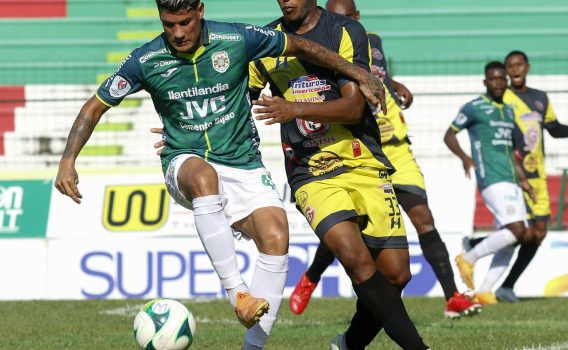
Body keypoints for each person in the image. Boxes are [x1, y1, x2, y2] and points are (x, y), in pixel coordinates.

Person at [53, 1, 386, 349]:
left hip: (243, 163)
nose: (178, 33)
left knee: (276, 236)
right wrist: (67, 160)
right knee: (203, 177)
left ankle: (252, 347)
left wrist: (360, 73)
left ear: (199, 10)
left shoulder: (237, 37)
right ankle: (238, 293)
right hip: (185, 160)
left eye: (184, 22)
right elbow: (95, 106)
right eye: (169, 25)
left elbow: (300, 45)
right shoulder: (145, 59)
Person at [249, 1, 428, 349]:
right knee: (356, 259)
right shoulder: (265, 42)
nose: (286, 1)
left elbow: (353, 107)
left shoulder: (345, 31)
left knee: (396, 275)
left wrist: (294, 107)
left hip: (363, 163)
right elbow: (241, 99)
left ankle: (347, 345)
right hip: (311, 172)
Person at [288, 0, 481, 320]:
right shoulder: (323, 43)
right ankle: (311, 277)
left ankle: (452, 296)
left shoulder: (367, 39)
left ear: (357, 18)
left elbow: (375, 76)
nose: (337, 21)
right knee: (347, 225)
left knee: (423, 218)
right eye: (333, 15)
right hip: (357, 146)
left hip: (396, 147)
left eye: (345, 16)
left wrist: (395, 84)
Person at [487, 50, 568, 302]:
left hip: (537, 176)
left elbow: (555, 130)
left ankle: (506, 286)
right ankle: (477, 249)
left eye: (519, 65)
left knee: (539, 233)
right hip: (513, 174)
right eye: (510, 66)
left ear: (527, 67)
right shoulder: (502, 99)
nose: (515, 69)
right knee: (519, 231)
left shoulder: (540, 98)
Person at [444, 61, 537, 303]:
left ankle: (485, 290)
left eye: (501, 79)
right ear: (485, 82)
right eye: (493, 79)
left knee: (516, 237)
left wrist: (524, 180)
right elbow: (449, 134)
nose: (498, 83)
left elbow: (510, 150)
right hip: (492, 178)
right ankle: (469, 258)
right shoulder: (474, 107)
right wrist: (465, 157)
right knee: (518, 230)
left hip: (512, 179)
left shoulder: (507, 111)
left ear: (506, 82)